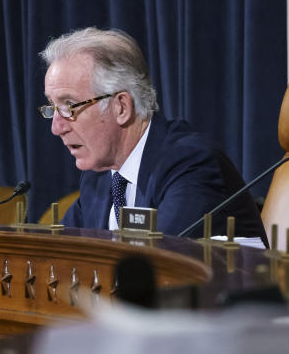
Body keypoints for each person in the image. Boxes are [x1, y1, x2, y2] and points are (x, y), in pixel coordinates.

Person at [39, 27, 266, 241]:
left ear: (121, 107)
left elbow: (158, 265)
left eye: (69, 105)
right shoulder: (99, 175)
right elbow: (58, 256)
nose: (56, 127)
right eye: (53, 107)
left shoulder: (190, 164)